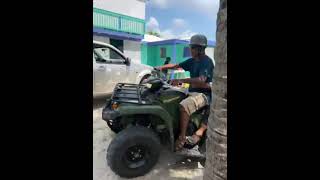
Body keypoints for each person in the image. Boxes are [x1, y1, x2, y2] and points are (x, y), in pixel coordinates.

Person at [156, 34, 214, 151]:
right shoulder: (192, 61)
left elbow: (201, 80)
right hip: (192, 90)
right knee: (169, 97)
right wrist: (161, 67)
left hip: (204, 94)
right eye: (191, 47)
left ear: (200, 49)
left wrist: (181, 80)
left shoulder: (206, 62)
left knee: (184, 106)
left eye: (192, 48)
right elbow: (177, 65)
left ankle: (182, 137)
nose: (190, 50)